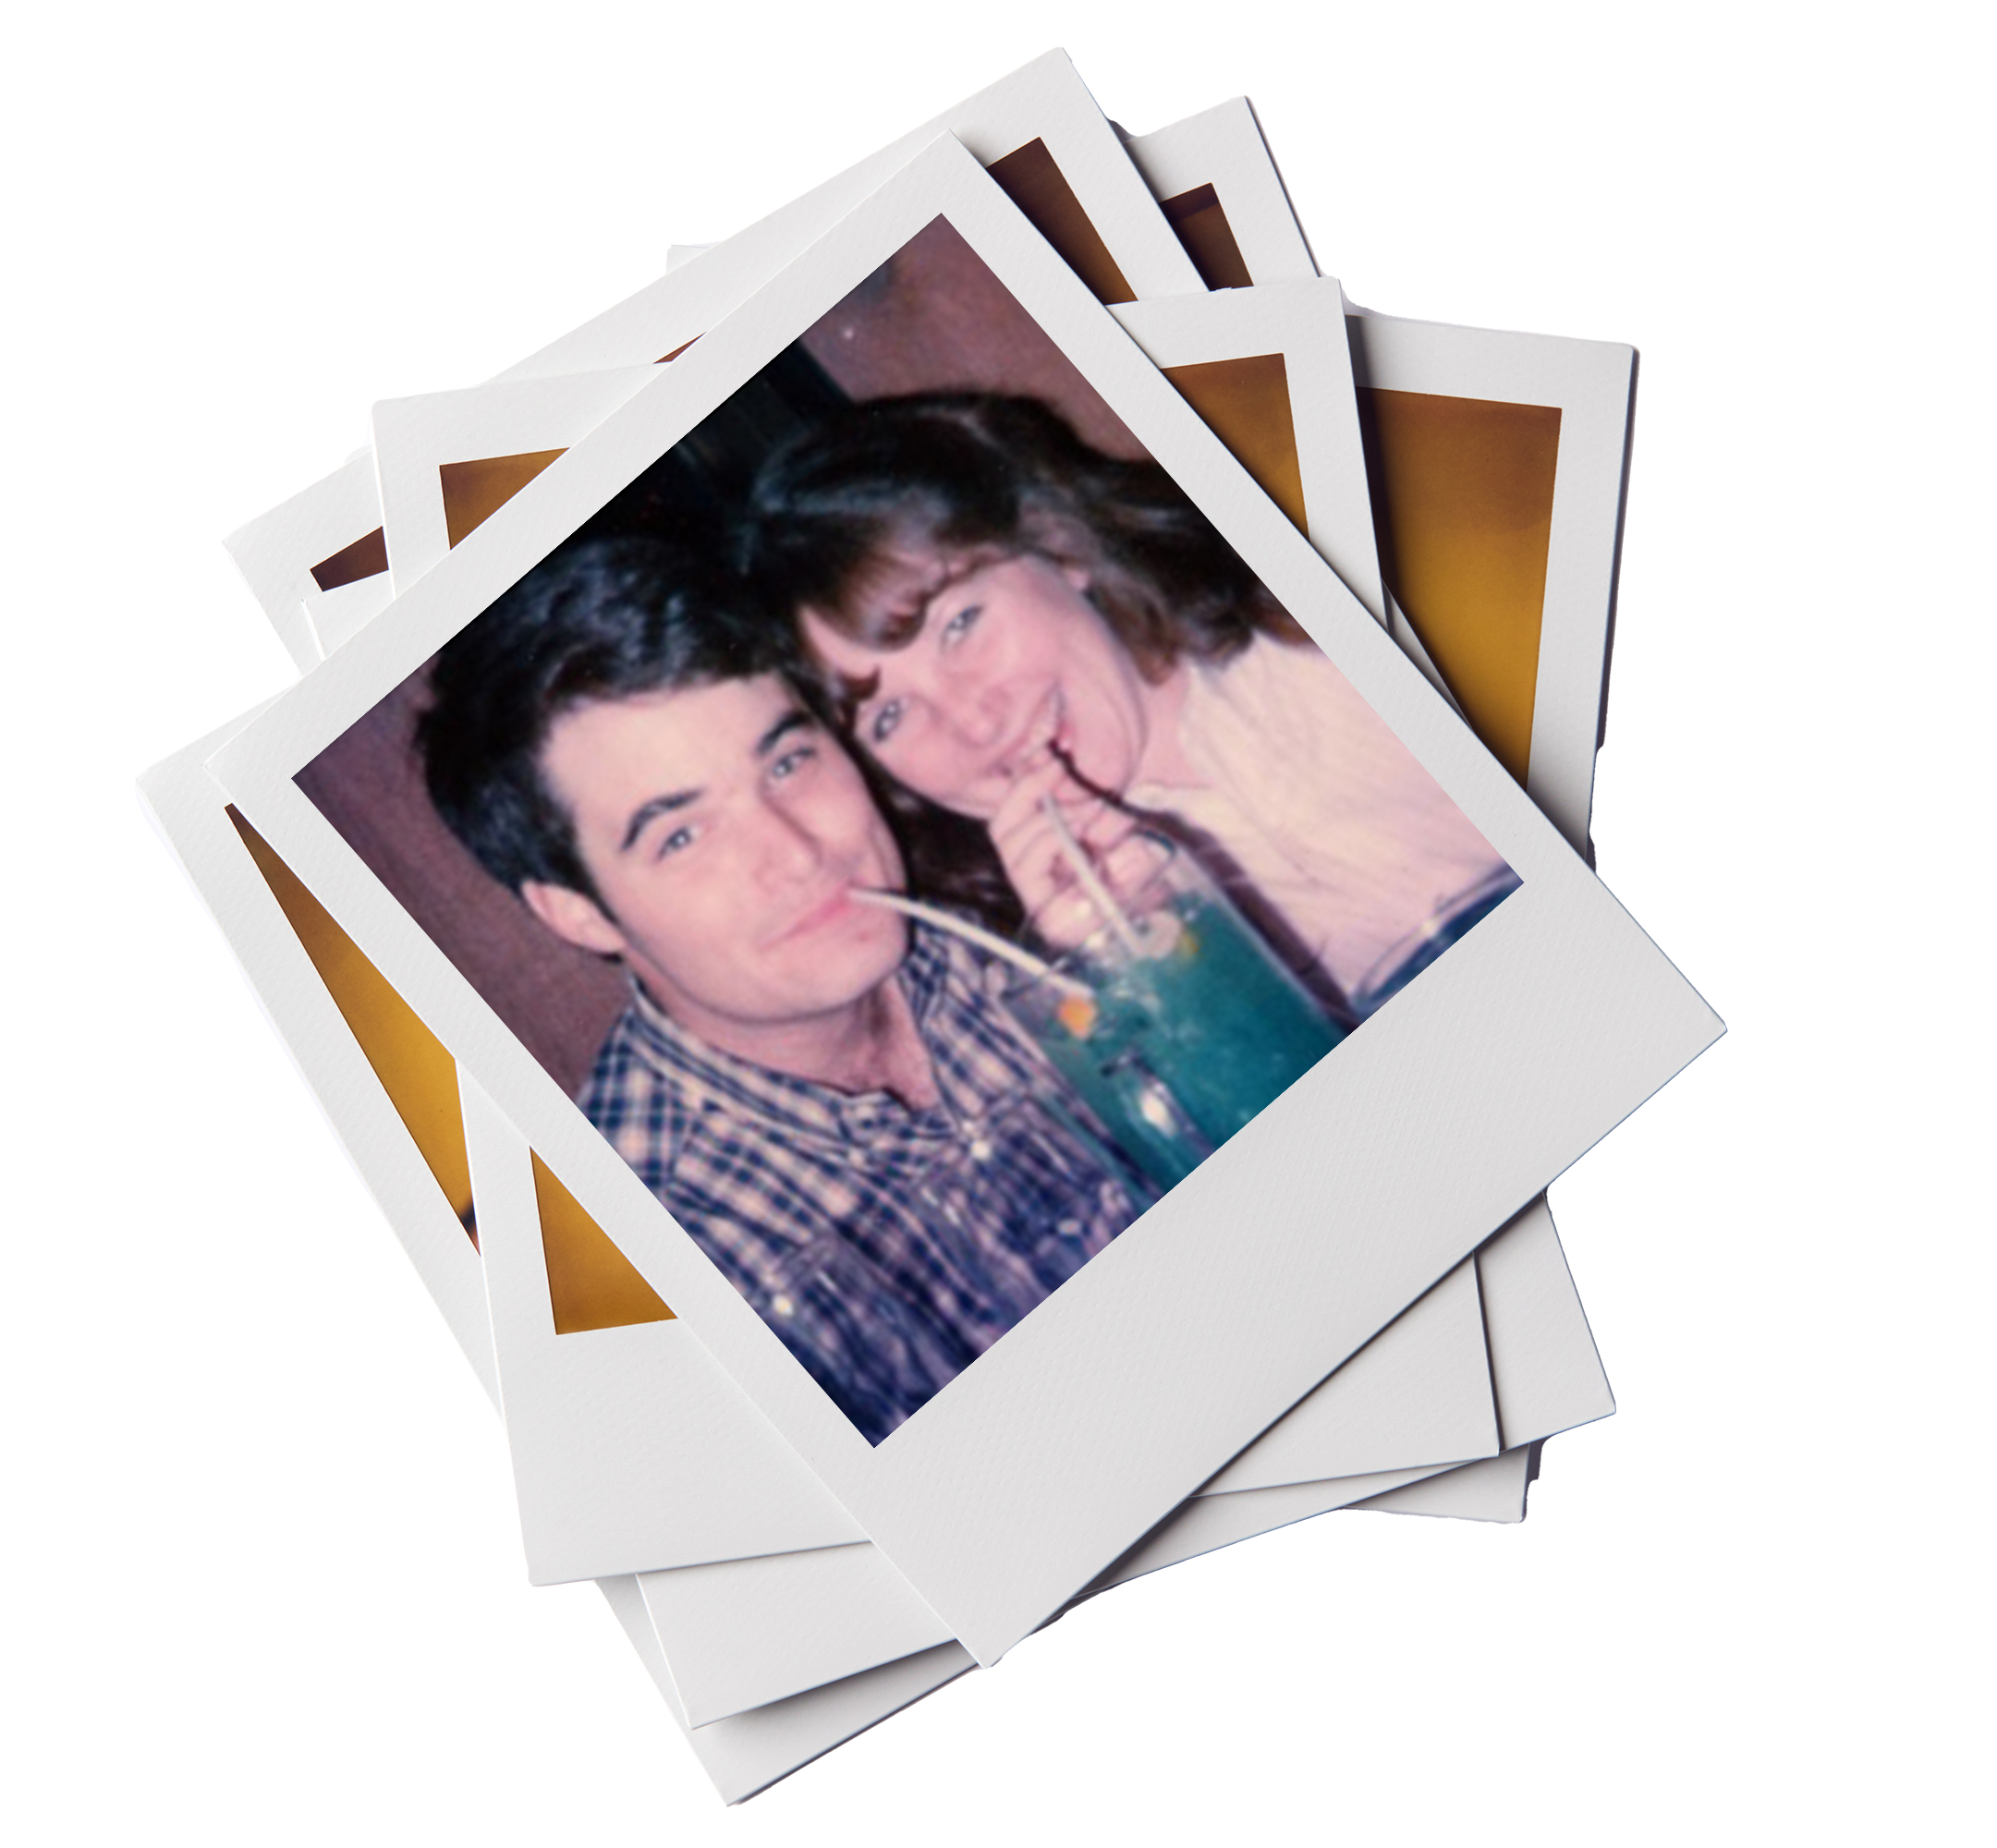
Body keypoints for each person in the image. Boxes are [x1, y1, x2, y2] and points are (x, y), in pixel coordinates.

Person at [418, 535, 1150, 1444]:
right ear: (578, 912)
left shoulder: (1000, 907)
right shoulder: (640, 1268)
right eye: (681, 836)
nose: (800, 853)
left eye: (787, 763)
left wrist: (1155, 966)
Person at [742, 393, 1514, 1014]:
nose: (974, 723)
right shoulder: (1046, 982)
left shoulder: (1340, 602)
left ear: (1057, 546)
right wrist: (1153, 971)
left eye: (961, 625)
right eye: (889, 717)